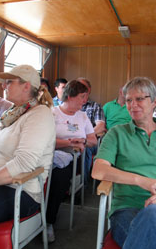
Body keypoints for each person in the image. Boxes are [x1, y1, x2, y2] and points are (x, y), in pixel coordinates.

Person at [0, 65, 56, 248]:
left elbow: (23, 164)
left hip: (19, 191)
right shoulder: (10, 113)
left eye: (9, 82)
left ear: (26, 86)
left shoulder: (40, 114)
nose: (4, 86)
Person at [92, 77, 156, 249]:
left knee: (155, 214)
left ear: (155, 101)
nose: (133, 105)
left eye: (139, 99)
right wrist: (140, 180)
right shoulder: (116, 134)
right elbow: (98, 170)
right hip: (127, 208)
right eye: (128, 100)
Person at [46, 80, 97, 242]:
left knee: (59, 179)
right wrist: (70, 142)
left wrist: (80, 142)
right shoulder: (52, 113)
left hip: (69, 158)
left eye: (86, 97)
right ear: (69, 96)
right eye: (82, 97)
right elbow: (45, 140)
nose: (84, 101)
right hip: (47, 154)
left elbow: (93, 140)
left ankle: (48, 222)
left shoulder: (82, 116)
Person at [77, 77, 106, 184]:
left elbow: (101, 126)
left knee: (86, 147)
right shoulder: (72, 105)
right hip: (71, 139)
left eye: (82, 87)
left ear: (88, 90)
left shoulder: (95, 106)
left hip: (91, 141)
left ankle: (82, 186)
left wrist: (84, 136)